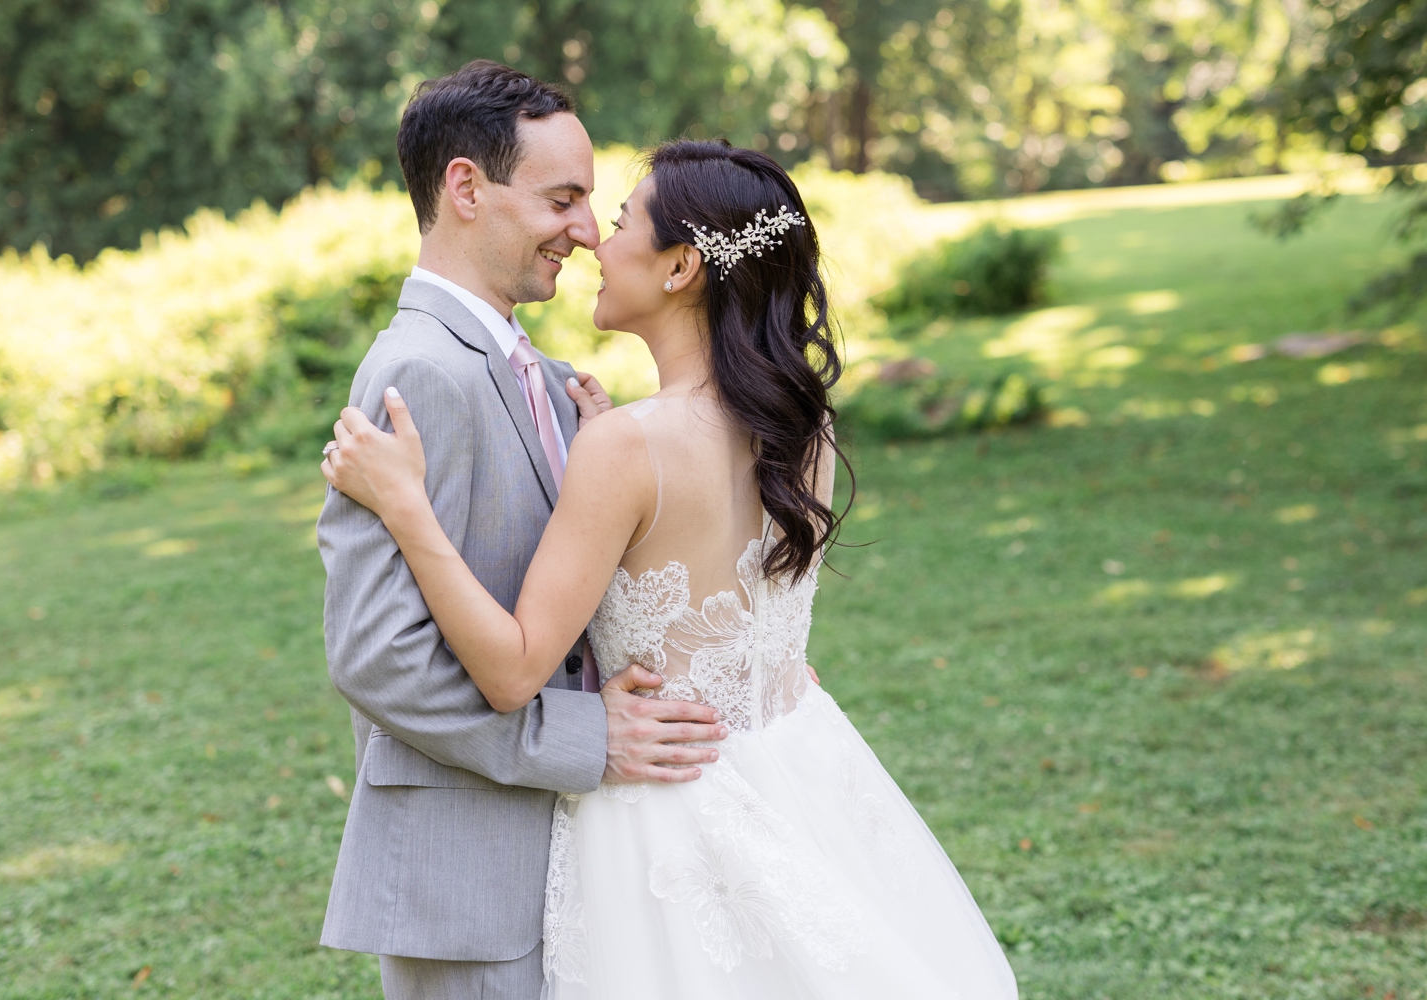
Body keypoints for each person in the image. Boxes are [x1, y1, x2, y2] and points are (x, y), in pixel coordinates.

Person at [322, 137, 1019, 998]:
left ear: (682, 265)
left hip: (660, 829)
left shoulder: (626, 448)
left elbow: (511, 670)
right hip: (794, 781)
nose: (593, 242)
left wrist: (408, 510)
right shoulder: (805, 426)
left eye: (618, 222)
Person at [315, 61, 730, 1000]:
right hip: (471, 887)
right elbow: (380, 657)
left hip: (563, 861)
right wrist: (587, 735)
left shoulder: (530, 367)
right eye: (563, 199)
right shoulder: (420, 372)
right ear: (466, 188)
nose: (587, 232)